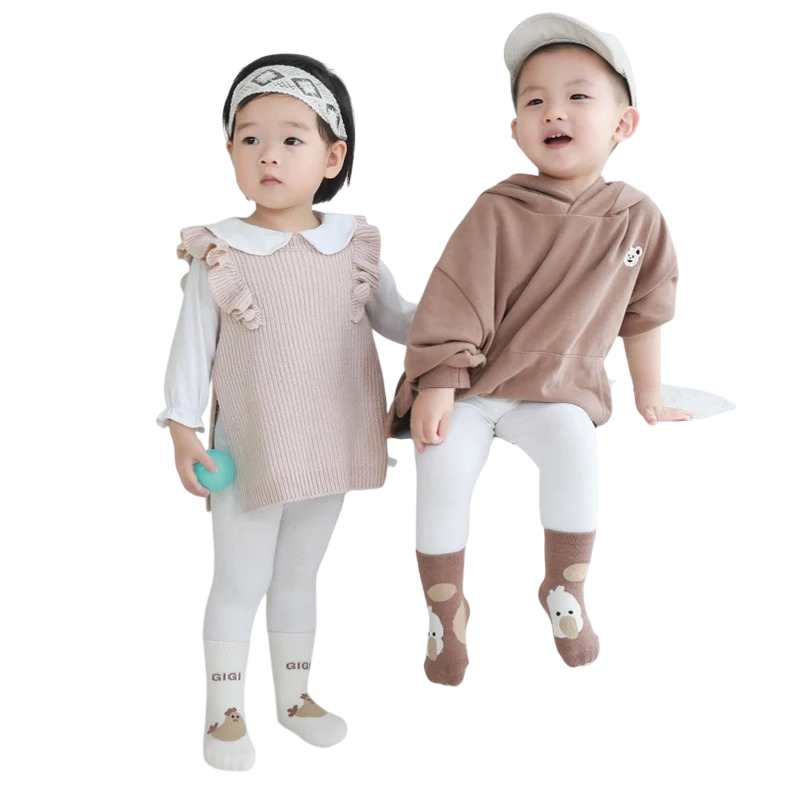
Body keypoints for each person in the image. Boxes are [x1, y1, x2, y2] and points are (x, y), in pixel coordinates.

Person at [387, 13, 691, 685]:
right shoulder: (498, 209)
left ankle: (565, 587)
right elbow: (455, 296)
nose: (554, 111)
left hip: (555, 391)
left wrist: (648, 393)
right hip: (472, 386)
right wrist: (437, 383)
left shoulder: (638, 218)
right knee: (441, 465)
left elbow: (644, 312)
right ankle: (444, 607)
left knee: (576, 448)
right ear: (517, 129)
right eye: (535, 101)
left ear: (623, 123)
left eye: (578, 95)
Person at [157, 53, 415, 770]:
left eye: (291, 138)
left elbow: (401, 319)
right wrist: (181, 431)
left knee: (300, 576)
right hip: (251, 447)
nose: (268, 154)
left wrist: (468, 319)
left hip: (330, 439)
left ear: (333, 157)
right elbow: (191, 350)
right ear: (230, 152)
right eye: (250, 138)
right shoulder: (220, 254)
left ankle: (294, 699)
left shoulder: (353, 246)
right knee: (241, 581)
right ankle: (224, 712)